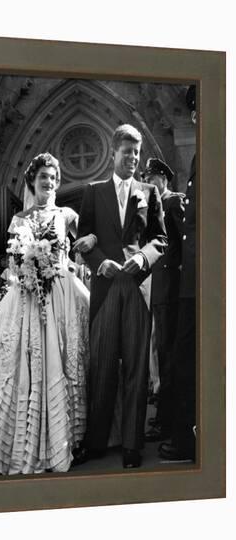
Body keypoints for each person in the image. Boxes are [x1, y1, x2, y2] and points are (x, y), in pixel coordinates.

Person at [0, 152, 93, 475]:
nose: (50, 182)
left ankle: (69, 436)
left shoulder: (67, 215)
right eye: (44, 176)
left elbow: (85, 244)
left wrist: (82, 253)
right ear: (33, 181)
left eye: (54, 178)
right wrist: (26, 262)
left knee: (68, 353)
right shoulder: (20, 220)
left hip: (60, 291)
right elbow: (12, 260)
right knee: (7, 355)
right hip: (28, 291)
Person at [74, 124, 167, 468]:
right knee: (102, 367)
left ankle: (132, 444)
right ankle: (97, 441)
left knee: (136, 369)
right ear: (113, 153)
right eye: (127, 151)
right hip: (105, 287)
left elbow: (161, 239)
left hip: (138, 287)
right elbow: (84, 238)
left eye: (137, 152)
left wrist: (143, 257)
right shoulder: (93, 191)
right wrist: (100, 264)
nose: (132, 158)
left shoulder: (148, 192)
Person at [158, 85, 197, 461]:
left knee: (184, 355)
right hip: (183, 283)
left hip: (194, 281)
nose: (198, 117)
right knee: (176, 354)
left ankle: (186, 437)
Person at [142, 158, 184, 442]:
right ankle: (164, 417)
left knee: (169, 355)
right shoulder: (155, 208)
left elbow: (183, 243)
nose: (149, 183)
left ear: (163, 179)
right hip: (158, 289)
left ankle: (168, 421)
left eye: (152, 178)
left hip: (171, 288)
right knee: (160, 352)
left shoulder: (173, 203)